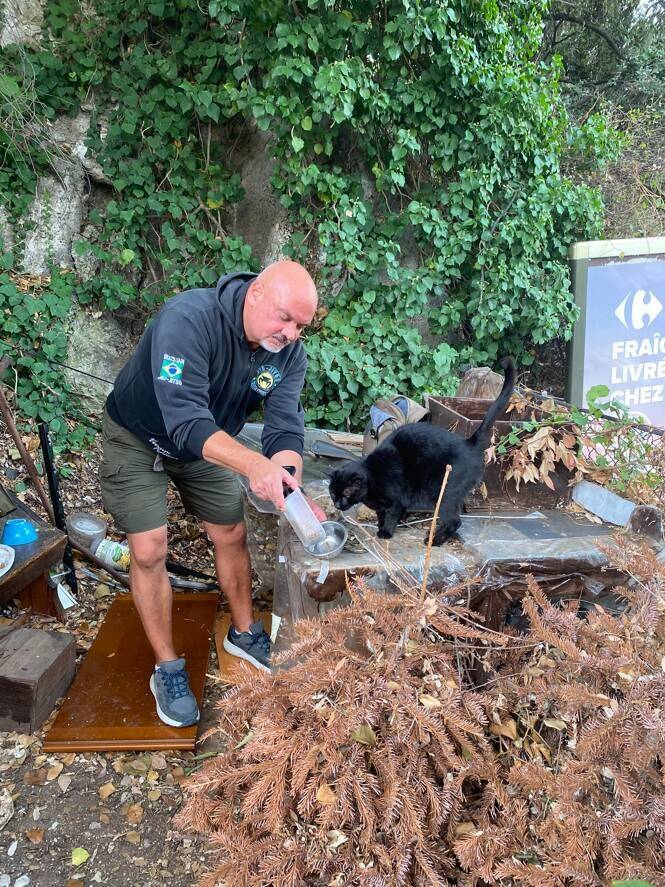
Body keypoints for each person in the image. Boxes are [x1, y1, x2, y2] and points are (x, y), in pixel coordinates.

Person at [99, 260, 325, 728]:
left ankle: (244, 633)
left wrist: (285, 475)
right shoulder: (189, 319)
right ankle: (168, 669)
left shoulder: (287, 354)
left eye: (301, 325)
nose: (291, 333)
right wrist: (253, 466)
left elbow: (284, 425)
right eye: (285, 318)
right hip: (138, 435)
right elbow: (185, 419)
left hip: (207, 445)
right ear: (257, 293)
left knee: (230, 529)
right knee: (148, 549)